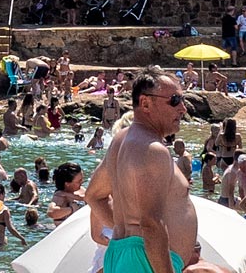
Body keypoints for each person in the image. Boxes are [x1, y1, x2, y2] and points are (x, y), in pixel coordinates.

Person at [85, 74, 200, 273]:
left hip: (125, 253)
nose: (183, 108)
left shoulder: (122, 140)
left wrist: (128, 230)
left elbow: (94, 196)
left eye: (183, 100)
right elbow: (150, 223)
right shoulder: (152, 149)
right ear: (145, 103)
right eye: (174, 101)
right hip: (145, 261)